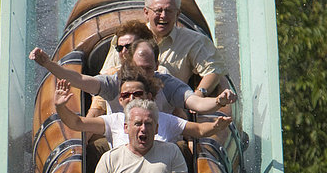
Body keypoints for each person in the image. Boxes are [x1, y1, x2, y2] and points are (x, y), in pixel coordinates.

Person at [29, 43, 235, 115]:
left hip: (160, 145)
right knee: (94, 152)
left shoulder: (168, 84)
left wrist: (218, 102)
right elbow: (80, 80)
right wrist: (48, 64)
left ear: (156, 65)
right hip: (119, 146)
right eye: (138, 67)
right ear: (128, 63)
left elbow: (196, 103)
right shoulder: (113, 83)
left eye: (147, 68)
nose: (142, 73)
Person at [54, 72, 232, 149]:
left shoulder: (165, 119)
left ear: (149, 96)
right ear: (120, 99)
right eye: (127, 95)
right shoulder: (113, 120)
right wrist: (61, 106)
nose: (132, 99)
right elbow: (76, 123)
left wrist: (215, 127)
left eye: (138, 94)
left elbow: (199, 130)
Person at [102, 0, 228, 95]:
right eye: (158, 10)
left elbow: (214, 70)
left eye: (169, 11)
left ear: (177, 14)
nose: (163, 16)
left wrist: (199, 94)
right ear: (146, 12)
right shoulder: (125, 39)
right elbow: (106, 75)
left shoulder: (194, 40)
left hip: (172, 108)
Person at [87, 99, 195, 173]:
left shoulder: (172, 151)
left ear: (156, 128)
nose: (143, 128)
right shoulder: (110, 158)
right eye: (138, 123)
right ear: (126, 128)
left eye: (148, 123)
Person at [88, 19, 155, 117]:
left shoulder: (161, 73)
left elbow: (178, 115)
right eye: (120, 48)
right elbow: (95, 112)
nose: (124, 52)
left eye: (129, 46)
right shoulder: (110, 76)